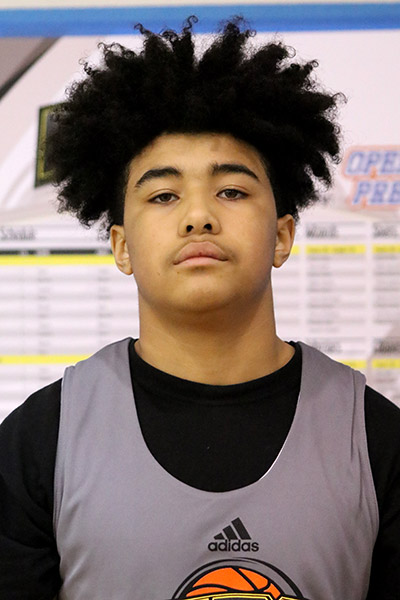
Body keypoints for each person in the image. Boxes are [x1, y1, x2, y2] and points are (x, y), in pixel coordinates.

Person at [0, 17, 399, 600]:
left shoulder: (376, 439)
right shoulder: (39, 443)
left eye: (231, 191)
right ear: (121, 246)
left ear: (283, 236)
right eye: (164, 195)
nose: (198, 217)